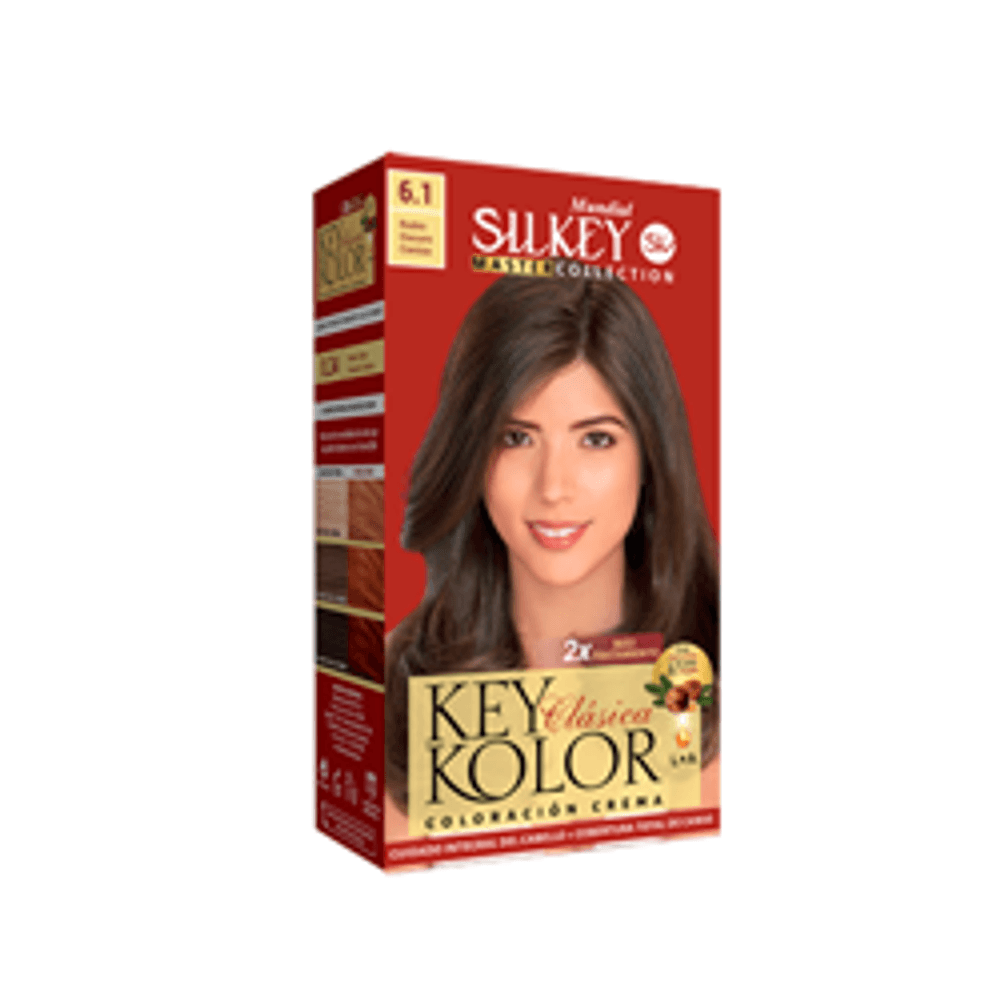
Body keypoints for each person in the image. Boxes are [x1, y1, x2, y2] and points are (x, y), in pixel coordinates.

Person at [384, 272, 719, 839]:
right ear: (470, 455)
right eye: (516, 438)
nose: (554, 487)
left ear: (650, 457)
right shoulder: (393, 684)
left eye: (596, 439)